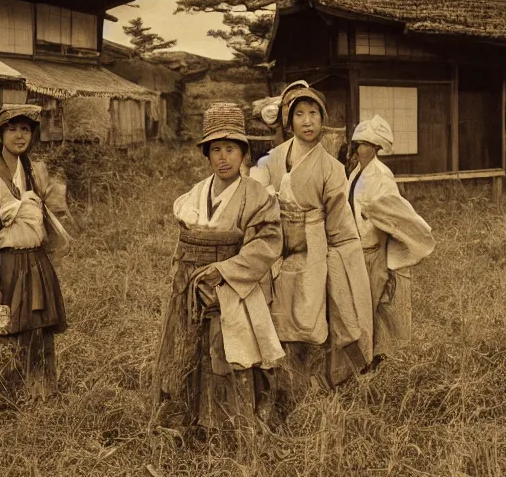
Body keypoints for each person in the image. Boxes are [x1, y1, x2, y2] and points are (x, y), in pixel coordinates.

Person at [152, 102, 285, 434]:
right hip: (191, 285)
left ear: (243, 153)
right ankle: (187, 419)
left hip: (235, 286)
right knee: (188, 348)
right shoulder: (195, 195)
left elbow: (268, 242)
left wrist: (224, 270)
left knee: (230, 351)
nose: (223, 157)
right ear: (207, 155)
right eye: (215, 149)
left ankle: (229, 423)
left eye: (230, 148)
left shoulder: (257, 196)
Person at [250, 81, 373, 413]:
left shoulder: (331, 169)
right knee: (274, 319)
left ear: (323, 119)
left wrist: (347, 258)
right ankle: (275, 390)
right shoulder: (273, 158)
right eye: (299, 114)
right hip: (276, 245)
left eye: (314, 114)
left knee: (308, 321)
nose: (307, 121)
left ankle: (306, 391)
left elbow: (340, 224)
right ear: (288, 121)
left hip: (313, 247)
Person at [0, 104, 72, 404]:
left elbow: (50, 214)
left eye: (25, 129)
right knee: (2, 326)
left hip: (35, 263)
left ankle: (41, 392)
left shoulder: (35, 172)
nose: (19, 136)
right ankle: (4, 395)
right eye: (12, 129)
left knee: (39, 327)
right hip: (6, 268)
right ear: (0, 133)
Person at [346, 115, 436, 372]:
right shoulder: (355, 172)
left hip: (374, 250)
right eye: (359, 144)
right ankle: (363, 358)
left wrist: (373, 213)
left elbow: (394, 213)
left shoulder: (382, 175)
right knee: (359, 306)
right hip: (356, 249)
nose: (360, 149)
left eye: (365, 145)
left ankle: (375, 359)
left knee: (373, 305)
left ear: (375, 148)